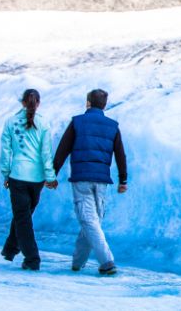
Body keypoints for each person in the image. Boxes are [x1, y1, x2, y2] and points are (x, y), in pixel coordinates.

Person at [52, 88, 128, 275]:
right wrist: (123, 180)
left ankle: (107, 261)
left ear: (88, 103)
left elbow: (63, 149)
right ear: (105, 104)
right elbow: (120, 154)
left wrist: (52, 174)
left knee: (89, 221)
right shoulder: (112, 126)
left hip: (81, 179)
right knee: (92, 221)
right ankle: (78, 262)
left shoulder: (77, 122)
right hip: (101, 181)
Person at [0, 88, 57, 271]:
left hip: (17, 175)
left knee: (22, 217)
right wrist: (50, 177)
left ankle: (32, 259)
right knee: (23, 215)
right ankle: (10, 249)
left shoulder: (10, 122)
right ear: (38, 103)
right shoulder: (44, 124)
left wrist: (6, 174)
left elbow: (6, 152)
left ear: (22, 103)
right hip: (37, 178)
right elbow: (46, 154)